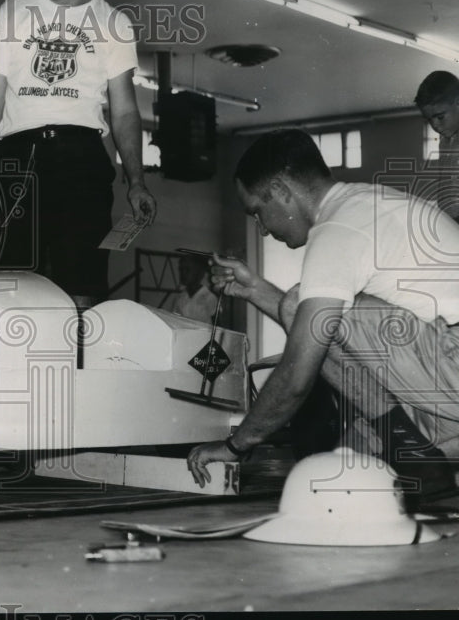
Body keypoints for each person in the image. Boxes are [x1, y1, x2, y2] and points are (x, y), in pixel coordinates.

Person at [187, 130, 459, 507]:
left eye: (257, 213)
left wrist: (237, 445)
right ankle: (414, 454)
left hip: (449, 367)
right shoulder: (363, 205)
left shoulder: (338, 229)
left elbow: (299, 371)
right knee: (338, 476)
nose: (263, 229)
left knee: (303, 307)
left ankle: (415, 457)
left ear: (281, 191)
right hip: (441, 376)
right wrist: (255, 290)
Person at [0, 0, 156, 310]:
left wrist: (135, 179)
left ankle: (75, 368)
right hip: (16, 157)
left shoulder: (115, 24)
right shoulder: (15, 11)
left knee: (80, 286)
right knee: (4, 285)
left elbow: (123, 111)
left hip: (80, 160)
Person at [415, 70, 459, 222]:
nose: (435, 125)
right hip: (450, 217)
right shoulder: (445, 140)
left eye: (440, 117)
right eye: (429, 120)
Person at [166, 253, 219, 324]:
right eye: (181, 269)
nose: (183, 273)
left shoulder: (210, 298)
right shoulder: (179, 298)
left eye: (187, 269)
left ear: (199, 272)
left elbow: (218, 327)